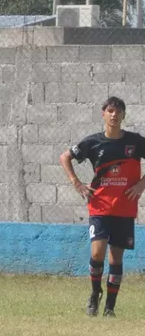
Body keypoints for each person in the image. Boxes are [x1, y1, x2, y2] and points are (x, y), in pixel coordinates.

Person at [61, 96, 145, 317]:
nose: (114, 115)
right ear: (104, 114)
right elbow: (65, 157)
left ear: (124, 115)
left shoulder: (135, 142)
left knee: (116, 258)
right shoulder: (93, 142)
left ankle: (110, 308)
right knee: (97, 253)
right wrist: (76, 183)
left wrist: (141, 184)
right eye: (110, 111)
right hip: (99, 206)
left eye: (118, 111)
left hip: (124, 209)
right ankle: (94, 293)